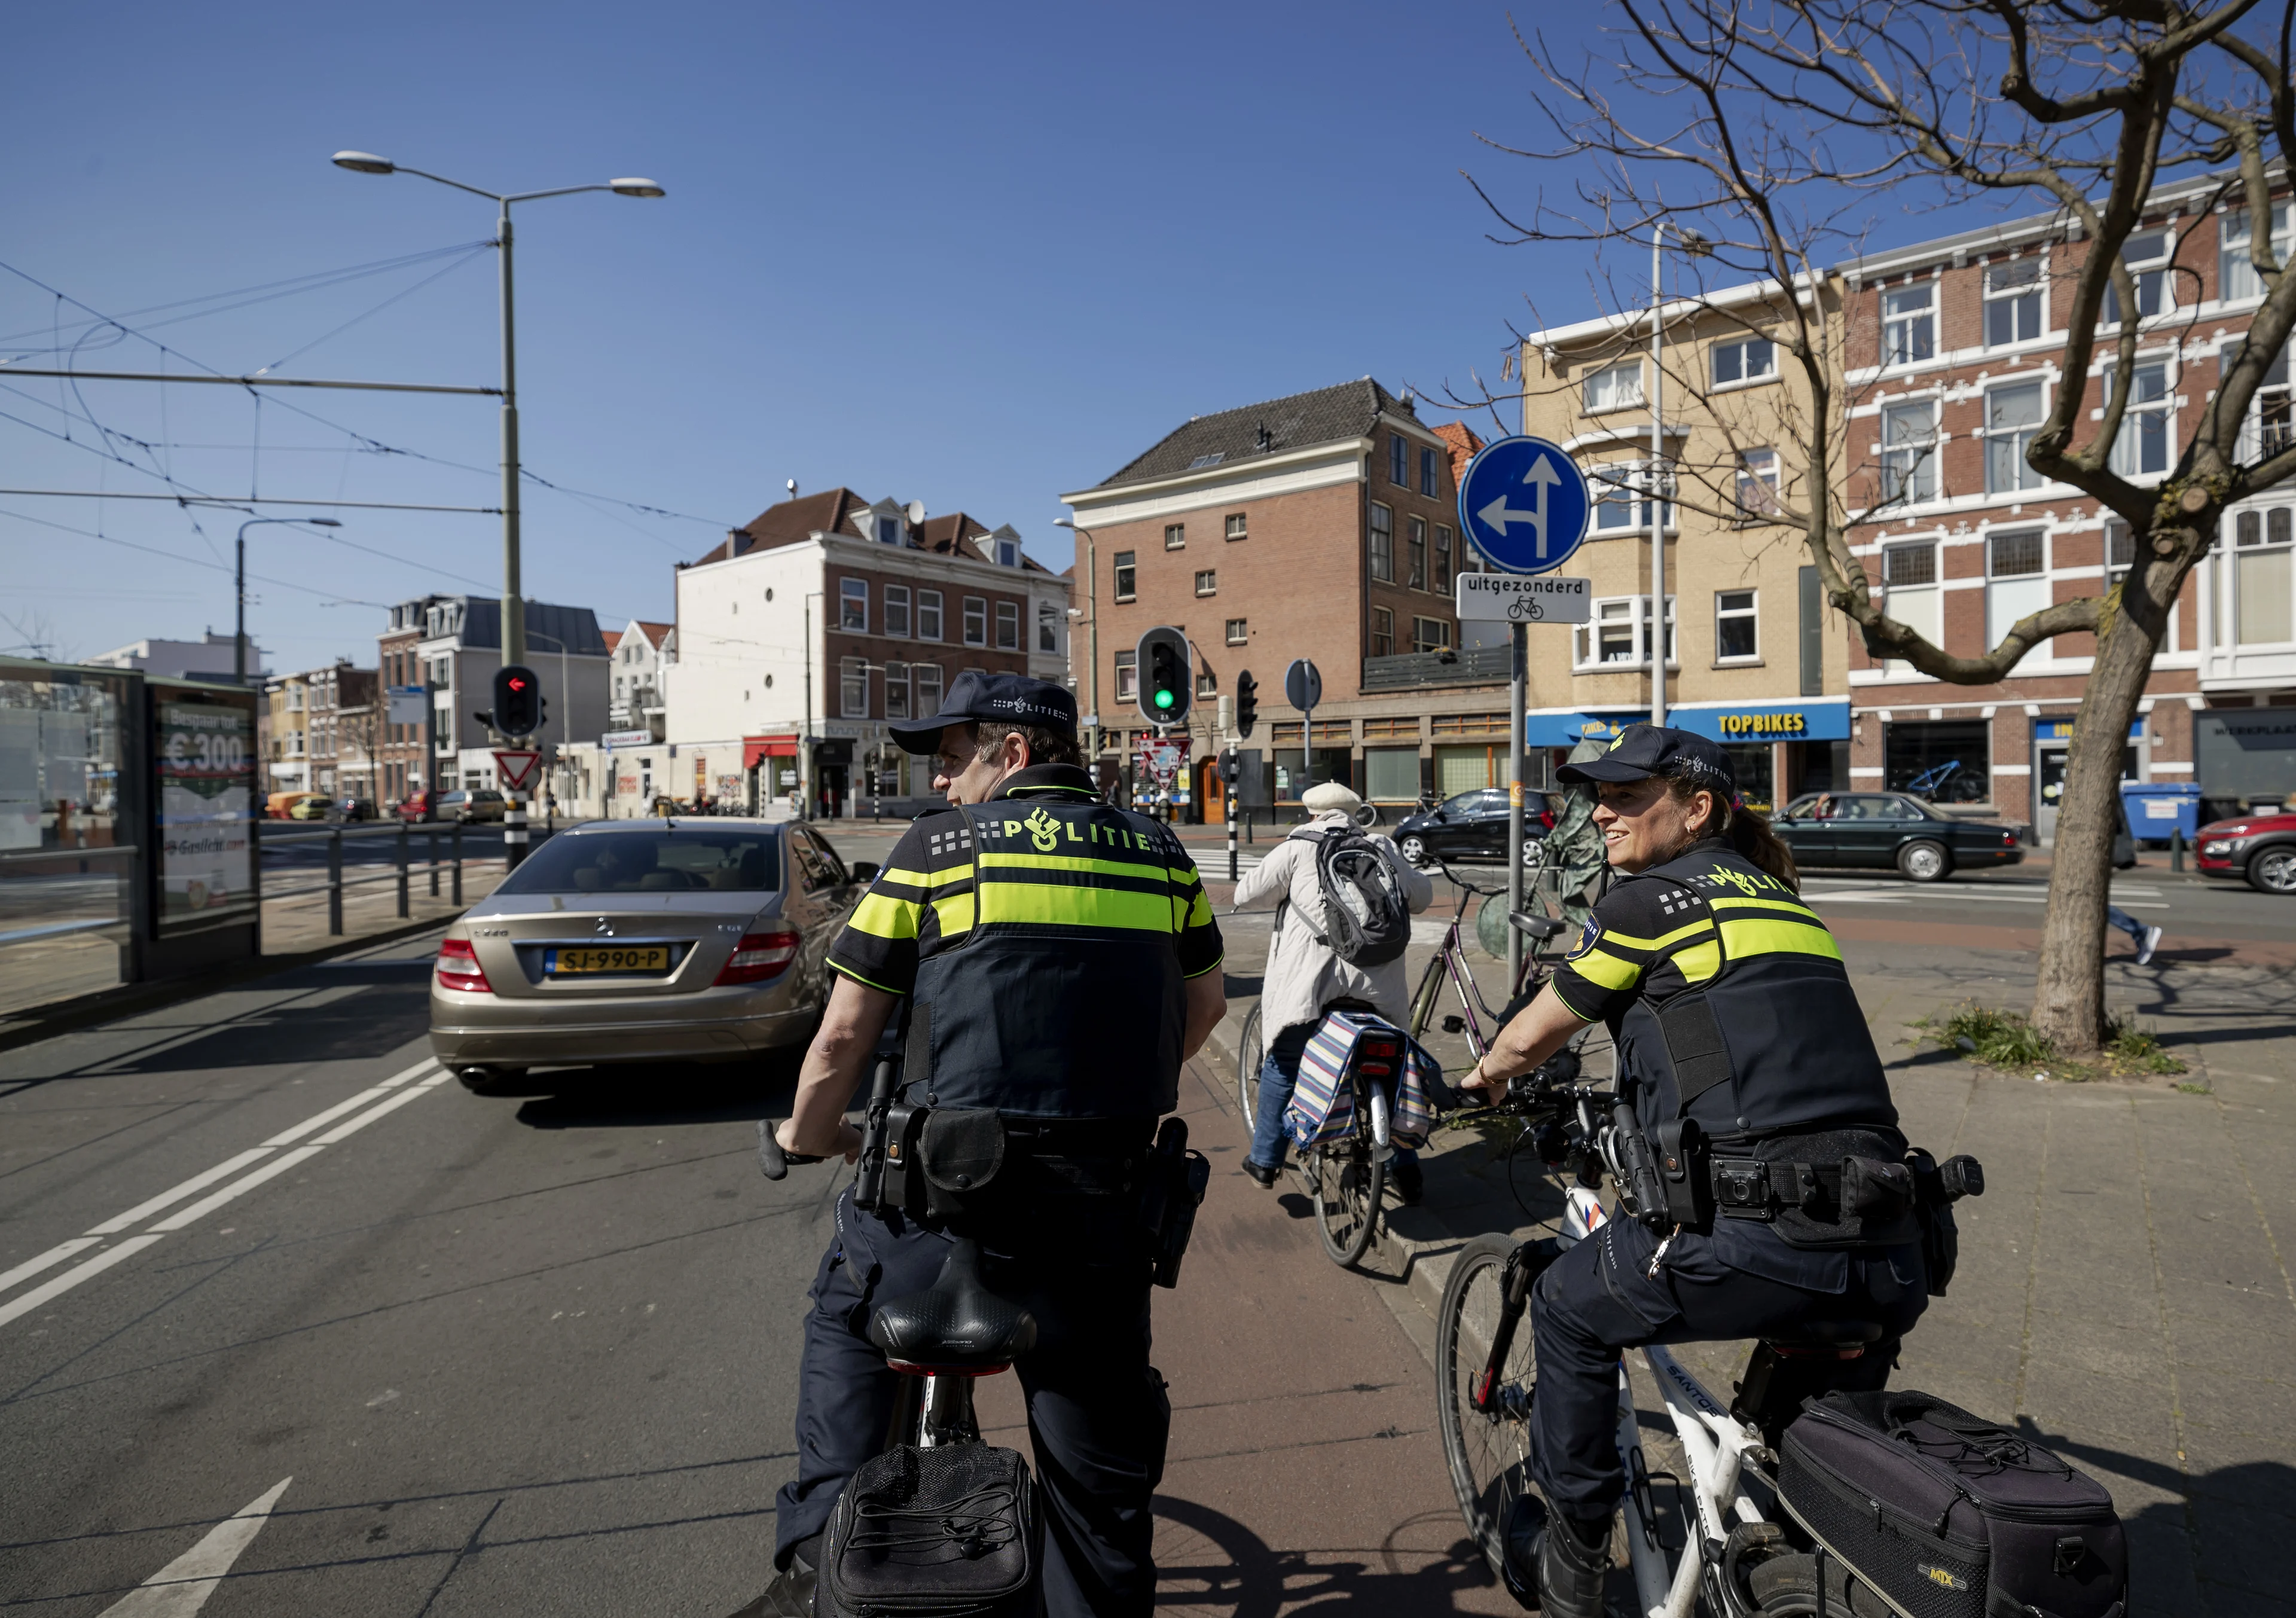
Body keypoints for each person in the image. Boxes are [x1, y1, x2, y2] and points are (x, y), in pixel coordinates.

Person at [733, 671, 1226, 1618]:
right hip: (1101, 1218)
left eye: (957, 760)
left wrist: (808, 1131)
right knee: (1100, 1496)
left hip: (945, 1215)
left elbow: (843, 1034)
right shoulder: (1161, 854)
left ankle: (815, 1559)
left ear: (1015, 753)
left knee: (844, 1314)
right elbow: (1199, 1007)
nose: (946, 784)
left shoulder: (937, 849)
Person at [1457, 725, 1925, 1618]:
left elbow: (1532, 1032)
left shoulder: (1648, 903)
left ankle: (1573, 1555)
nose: (1602, 811)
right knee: (1796, 1436)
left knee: (1566, 1306)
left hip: (1752, 1236)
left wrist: (1479, 1079)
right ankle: (1794, 1552)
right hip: (1892, 1237)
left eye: (1628, 797)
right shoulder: (1790, 903)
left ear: (1697, 807)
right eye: (1602, 795)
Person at [1231, 781, 1434, 1201]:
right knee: (1394, 1069)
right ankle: (1407, 1169)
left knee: (1285, 1063)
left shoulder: (1298, 847)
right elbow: (1423, 897)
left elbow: (1244, 893)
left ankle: (1265, 1162)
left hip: (1312, 988)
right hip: (1380, 989)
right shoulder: (1381, 847)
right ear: (1356, 813)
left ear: (1312, 814)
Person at [2106, 793, 2164, 964]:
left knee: (2089, 902)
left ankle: (2141, 931)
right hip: (2108, 853)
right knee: (2088, 903)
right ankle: (2140, 932)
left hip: (2104, 854)